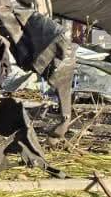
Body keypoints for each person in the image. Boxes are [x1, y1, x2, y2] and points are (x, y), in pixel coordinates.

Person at [14, 10, 76, 138]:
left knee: (63, 86)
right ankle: (63, 124)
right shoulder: (28, 19)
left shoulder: (25, 19)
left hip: (55, 45)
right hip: (55, 44)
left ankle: (63, 125)